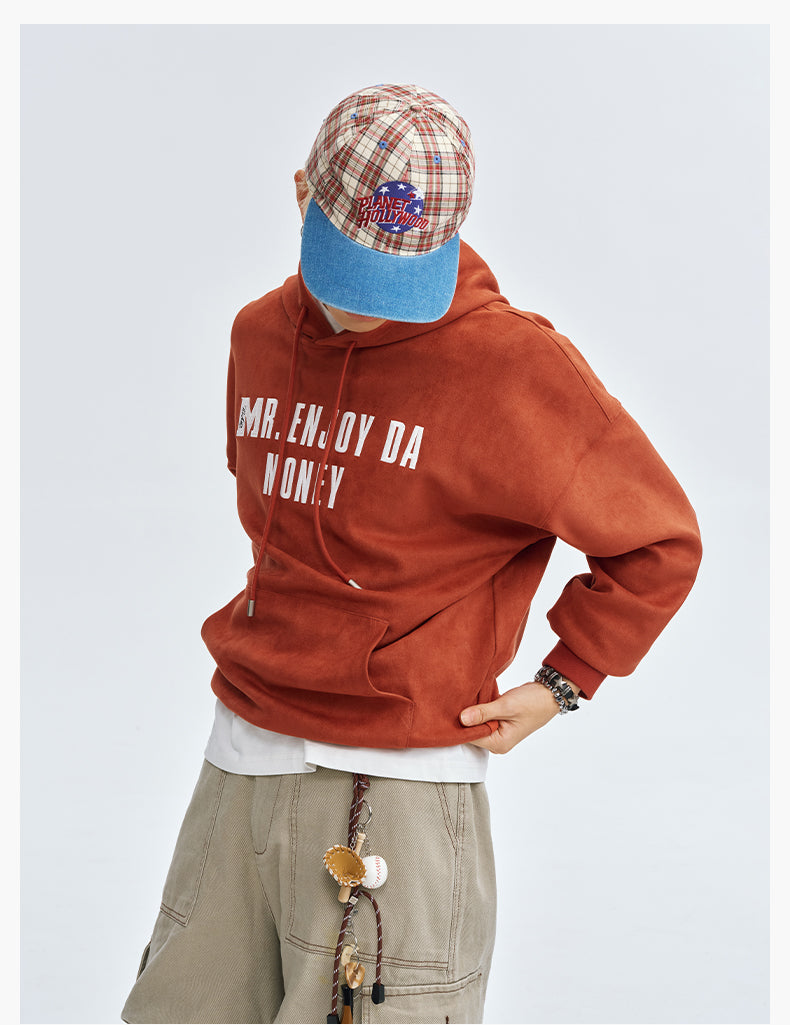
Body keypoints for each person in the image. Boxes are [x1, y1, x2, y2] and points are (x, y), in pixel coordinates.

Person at [121, 83, 702, 1025]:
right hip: (239, 757)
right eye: (348, 268)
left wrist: (564, 682)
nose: (365, 309)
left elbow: (659, 539)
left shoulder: (513, 367)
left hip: (399, 783)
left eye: (396, 278)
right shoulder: (257, 336)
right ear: (302, 194)